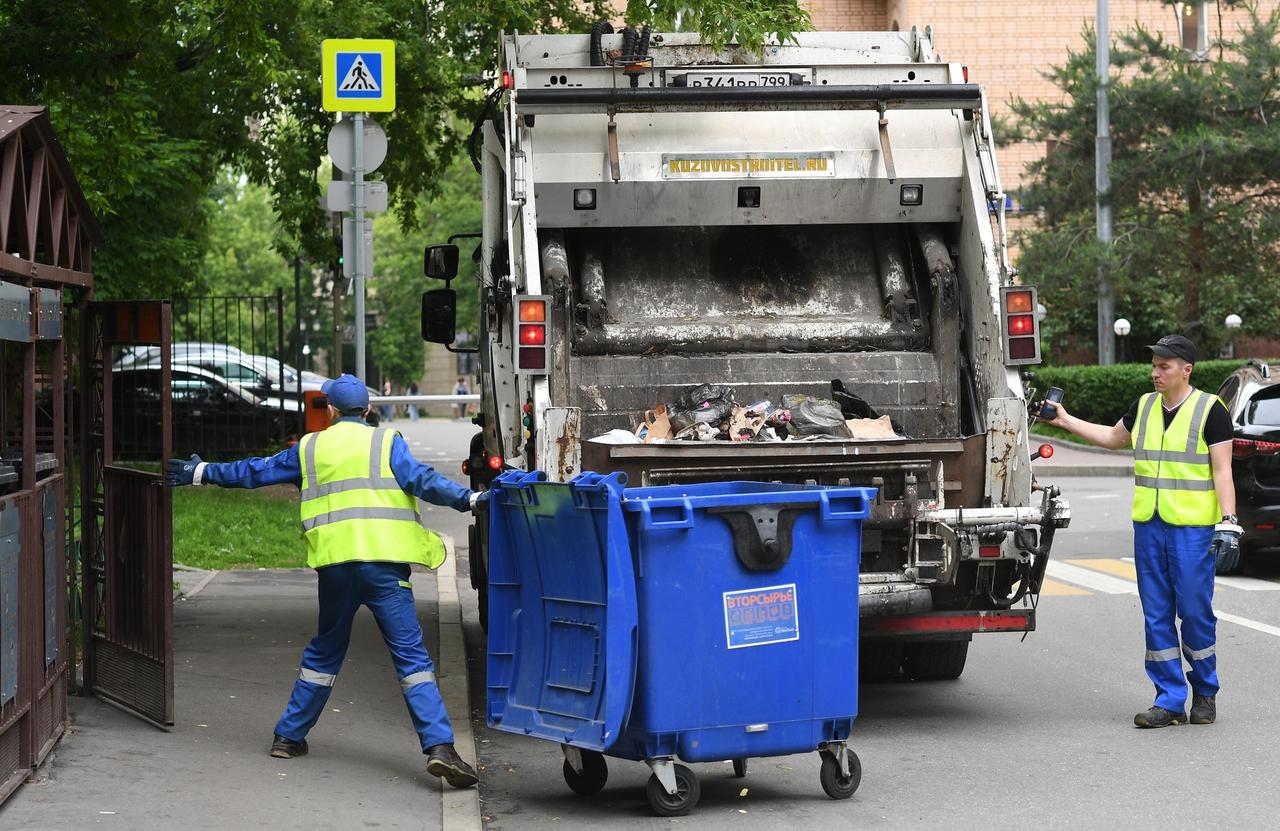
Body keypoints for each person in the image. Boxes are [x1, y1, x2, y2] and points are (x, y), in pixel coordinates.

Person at [164, 374, 484, 788]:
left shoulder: (310, 448)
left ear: (329, 410)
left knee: (325, 652)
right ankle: (439, 748)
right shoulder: (387, 443)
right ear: (368, 409)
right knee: (411, 659)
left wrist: (200, 472)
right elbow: (425, 481)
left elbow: (253, 472)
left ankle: (289, 735)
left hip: (335, 570)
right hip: (385, 569)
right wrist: (470, 499)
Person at [1040, 334, 1240, 728]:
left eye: (1164, 366)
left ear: (1187, 370)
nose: (1156, 372)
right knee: (1156, 615)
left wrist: (1229, 523)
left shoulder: (1210, 410)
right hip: (1149, 526)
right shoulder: (1144, 406)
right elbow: (1113, 438)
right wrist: (1063, 420)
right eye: (1154, 365)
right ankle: (1168, 699)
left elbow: (1223, 471)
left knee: (1196, 613)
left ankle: (1205, 691)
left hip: (1192, 529)